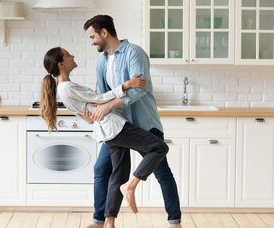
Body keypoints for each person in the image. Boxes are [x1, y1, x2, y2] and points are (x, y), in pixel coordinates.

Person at [40, 47, 170, 228]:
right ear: (61, 64)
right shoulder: (67, 87)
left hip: (108, 131)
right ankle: (131, 186)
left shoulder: (64, 88)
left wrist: (89, 115)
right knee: (159, 147)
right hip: (114, 127)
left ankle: (109, 223)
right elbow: (101, 98)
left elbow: (86, 113)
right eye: (69, 54)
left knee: (118, 174)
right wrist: (127, 84)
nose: (73, 55)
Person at [83, 15, 182, 228]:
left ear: (104, 32)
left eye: (92, 36)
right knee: (102, 170)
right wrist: (97, 107)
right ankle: (100, 220)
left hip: (144, 123)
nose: (92, 41)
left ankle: (174, 221)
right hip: (118, 128)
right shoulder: (101, 61)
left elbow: (139, 89)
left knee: (162, 174)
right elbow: (103, 94)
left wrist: (108, 105)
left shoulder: (134, 53)